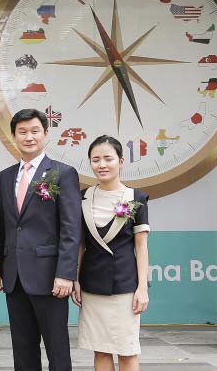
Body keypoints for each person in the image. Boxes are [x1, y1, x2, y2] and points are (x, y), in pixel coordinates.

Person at [0, 108, 82, 371]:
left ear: (45, 134)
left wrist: (66, 274)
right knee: (23, 350)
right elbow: (3, 225)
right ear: (13, 136)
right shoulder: (5, 177)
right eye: (22, 132)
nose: (28, 137)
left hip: (50, 277)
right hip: (15, 277)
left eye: (34, 131)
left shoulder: (63, 173)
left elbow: (71, 228)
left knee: (57, 349)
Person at [72, 135, 150, 371]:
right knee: (101, 349)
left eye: (108, 158)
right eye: (96, 160)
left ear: (121, 161)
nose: (102, 165)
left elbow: (141, 246)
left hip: (124, 286)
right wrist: (75, 279)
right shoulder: (82, 197)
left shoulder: (136, 198)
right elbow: (80, 244)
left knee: (127, 351)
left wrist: (142, 288)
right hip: (92, 285)